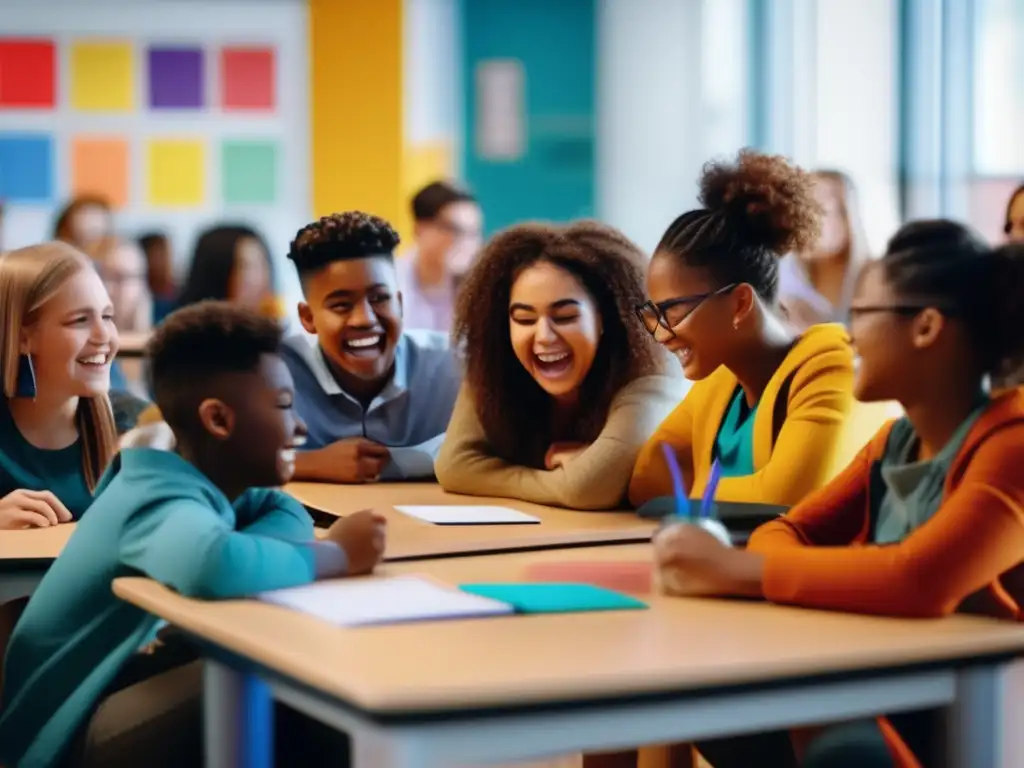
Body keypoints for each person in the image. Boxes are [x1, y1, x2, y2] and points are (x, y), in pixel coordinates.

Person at [653, 220, 1024, 768]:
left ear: (925, 327)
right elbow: (786, 529)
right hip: (885, 688)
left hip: (981, 720)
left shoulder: (1011, 445)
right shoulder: (894, 442)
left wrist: (731, 571)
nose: (849, 334)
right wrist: (842, 570)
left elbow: (918, 580)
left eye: (862, 315)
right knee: (715, 716)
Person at [0, 302, 387, 768]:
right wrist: (338, 555)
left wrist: (261, 553)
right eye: (284, 406)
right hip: (67, 733)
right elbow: (214, 565)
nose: (299, 426)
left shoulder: (194, 469)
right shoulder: (156, 494)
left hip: (118, 686)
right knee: (291, 682)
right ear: (218, 420)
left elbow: (282, 509)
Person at [628, 150, 855, 510]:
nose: (661, 333)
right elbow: (646, 482)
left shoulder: (829, 361)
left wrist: (691, 493)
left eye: (673, 311)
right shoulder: (719, 383)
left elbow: (785, 498)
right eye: (654, 314)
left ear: (739, 304)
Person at [435, 221, 685, 509]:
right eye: (524, 319)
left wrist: (497, 476)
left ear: (607, 318)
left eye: (565, 316)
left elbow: (589, 488)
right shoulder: (495, 364)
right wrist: (563, 480)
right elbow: (454, 466)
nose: (543, 336)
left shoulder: (650, 373)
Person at [281, 211, 460, 483]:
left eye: (379, 298)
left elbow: (503, 446)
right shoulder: (274, 373)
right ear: (308, 318)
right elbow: (213, 456)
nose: (365, 319)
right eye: (341, 305)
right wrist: (306, 463)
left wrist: (398, 462)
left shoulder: (455, 366)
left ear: (399, 303)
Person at [0, 242, 119, 528]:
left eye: (107, 316)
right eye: (79, 320)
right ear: (23, 337)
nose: (103, 335)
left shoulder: (136, 428)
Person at [777, 170, 871, 330]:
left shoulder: (875, 279)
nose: (809, 219)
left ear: (850, 216)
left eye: (825, 210)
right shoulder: (781, 278)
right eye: (805, 206)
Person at [396, 181, 483, 333]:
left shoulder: (482, 289)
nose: (465, 242)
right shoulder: (391, 282)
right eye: (453, 229)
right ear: (420, 230)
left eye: (473, 232)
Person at [177, 224, 285, 321]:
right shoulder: (186, 337)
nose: (259, 279)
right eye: (245, 266)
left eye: (262, 263)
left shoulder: (276, 334)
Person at [138, 231, 178, 324]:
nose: (164, 261)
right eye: (157, 255)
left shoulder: (177, 295)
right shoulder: (137, 294)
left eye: (166, 254)